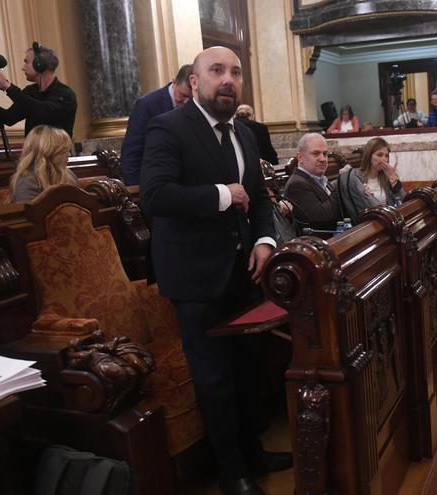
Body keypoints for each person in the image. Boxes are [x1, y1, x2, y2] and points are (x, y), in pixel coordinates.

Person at [140, 46, 288, 495]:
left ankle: (252, 450)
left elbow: (259, 198)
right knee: (215, 379)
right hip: (195, 278)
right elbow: (156, 195)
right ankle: (232, 473)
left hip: (244, 272)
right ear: (194, 83)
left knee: (250, 371)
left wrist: (265, 241)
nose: (228, 79)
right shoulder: (168, 128)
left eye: (236, 72)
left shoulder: (243, 132)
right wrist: (222, 195)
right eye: (217, 71)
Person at [0, 42, 77, 137]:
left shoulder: (65, 94)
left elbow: (43, 112)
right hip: (34, 157)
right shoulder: (31, 91)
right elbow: (8, 118)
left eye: (27, 62)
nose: (23, 67)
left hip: (58, 158)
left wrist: (6, 86)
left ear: (39, 65)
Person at [120, 64, 193, 185]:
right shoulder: (147, 105)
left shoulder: (196, 106)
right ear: (174, 82)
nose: (186, 102)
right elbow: (132, 152)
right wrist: (135, 189)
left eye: (191, 98)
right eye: (183, 95)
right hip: (153, 183)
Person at [282, 133, 340, 237]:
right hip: (318, 247)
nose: (323, 159)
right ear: (300, 157)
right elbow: (321, 218)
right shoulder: (296, 185)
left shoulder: (320, 179)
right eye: (316, 153)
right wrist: (341, 186)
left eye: (325, 154)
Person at [338, 137, 405, 219]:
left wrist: (393, 178)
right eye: (379, 155)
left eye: (386, 156)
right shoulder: (356, 177)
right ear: (369, 156)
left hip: (388, 221)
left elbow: (402, 202)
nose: (384, 159)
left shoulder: (387, 176)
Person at [8, 125, 77, 202]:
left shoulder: (69, 175)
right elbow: (35, 213)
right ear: (49, 152)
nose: (69, 154)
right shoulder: (27, 183)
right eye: (64, 150)